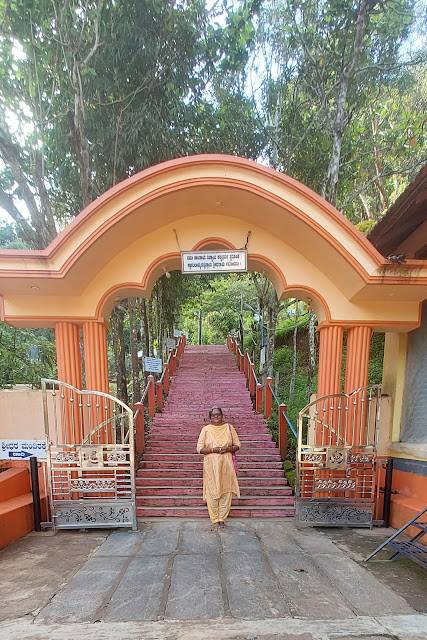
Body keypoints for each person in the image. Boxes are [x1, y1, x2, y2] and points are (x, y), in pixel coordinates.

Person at [197, 407, 241, 529]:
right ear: (210, 417)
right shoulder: (206, 429)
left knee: (226, 489)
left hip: (226, 463)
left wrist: (227, 449)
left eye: (218, 415)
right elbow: (199, 448)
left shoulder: (229, 428)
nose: (216, 417)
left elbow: (237, 445)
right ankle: (214, 518)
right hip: (210, 464)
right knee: (212, 489)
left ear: (222, 416)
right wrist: (213, 450)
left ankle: (222, 518)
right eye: (213, 415)